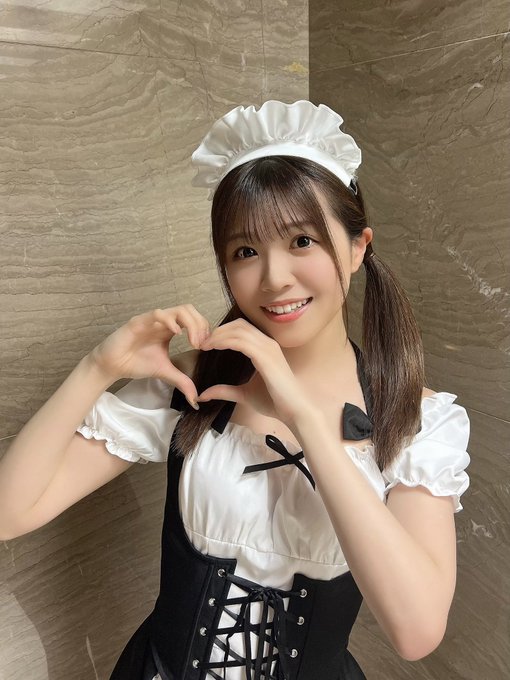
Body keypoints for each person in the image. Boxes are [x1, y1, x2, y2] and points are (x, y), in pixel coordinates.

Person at [0, 100, 471, 680]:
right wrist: (97, 367)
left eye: (302, 241)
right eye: (245, 251)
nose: (274, 278)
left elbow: (416, 632)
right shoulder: (194, 384)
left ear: (357, 247)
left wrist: (304, 418)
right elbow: (9, 513)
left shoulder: (417, 420)